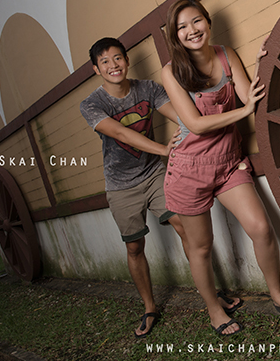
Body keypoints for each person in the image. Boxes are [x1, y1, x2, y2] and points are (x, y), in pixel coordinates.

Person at [161, 0, 280, 337]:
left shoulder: (225, 55)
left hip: (227, 162)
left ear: (207, 22)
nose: (191, 31)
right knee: (201, 247)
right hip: (189, 170)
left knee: (261, 227)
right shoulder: (172, 73)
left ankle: (277, 293)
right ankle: (214, 309)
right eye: (182, 27)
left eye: (196, 21)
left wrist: (259, 66)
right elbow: (195, 125)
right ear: (175, 35)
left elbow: (248, 96)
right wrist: (241, 113)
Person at [80, 37, 241, 339]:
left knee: (184, 226)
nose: (113, 65)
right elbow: (119, 133)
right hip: (120, 185)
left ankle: (211, 295)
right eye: (105, 61)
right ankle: (149, 306)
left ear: (126, 61)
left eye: (117, 58)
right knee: (134, 246)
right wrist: (164, 150)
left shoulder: (149, 89)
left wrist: (214, 131)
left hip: (154, 175)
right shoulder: (91, 104)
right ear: (96, 69)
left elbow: (184, 117)